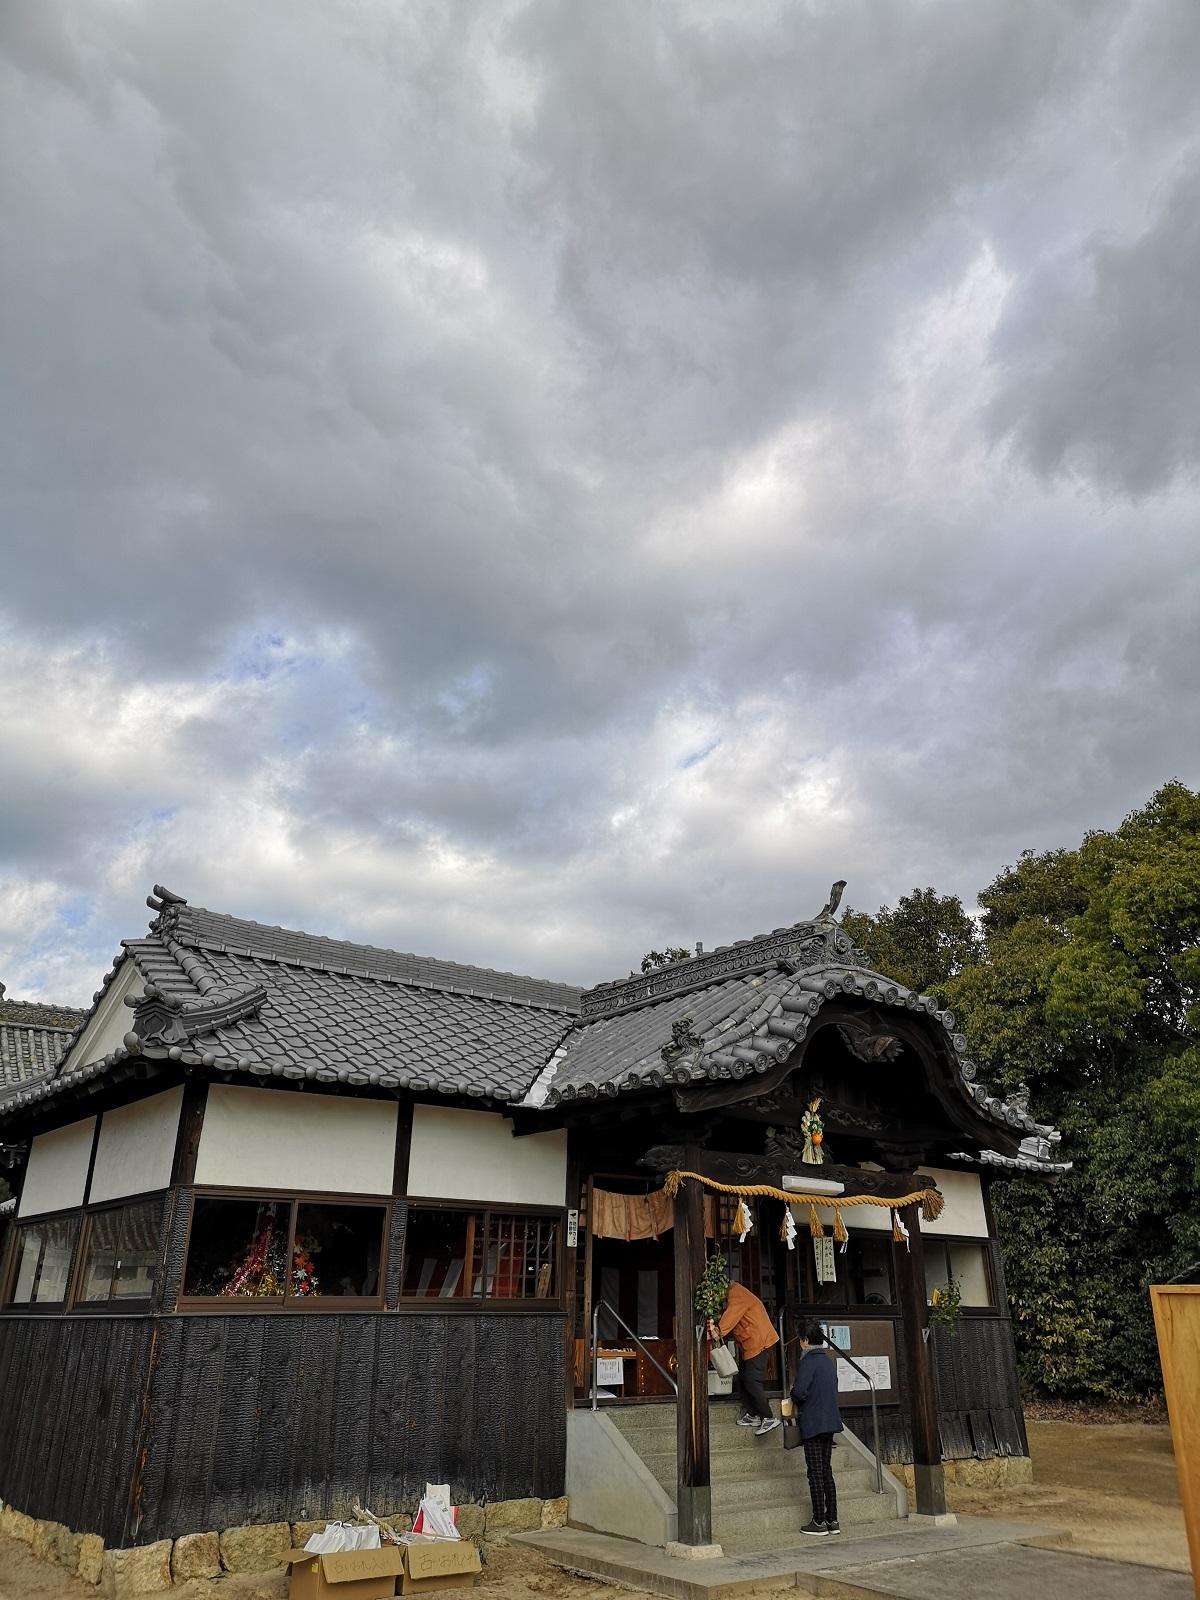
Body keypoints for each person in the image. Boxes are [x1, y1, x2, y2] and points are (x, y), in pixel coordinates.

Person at [706, 1281, 781, 1437]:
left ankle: (768, 1417)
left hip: (759, 1342)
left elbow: (732, 1315)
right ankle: (753, 1414)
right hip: (752, 1344)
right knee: (741, 1379)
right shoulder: (736, 1293)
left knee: (751, 1380)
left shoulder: (737, 1294)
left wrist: (718, 1331)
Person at [791, 1322, 844, 1536]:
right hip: (830, 1421)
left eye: (800, 1340)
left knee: (814, 1473)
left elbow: (800, 1392)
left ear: (804, 1340)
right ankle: (833, 1520)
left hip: (813, 1422)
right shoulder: (827, 1362)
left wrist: (794, 1392)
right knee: (826, 1471)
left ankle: (818, 1521)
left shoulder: (807, 1363)